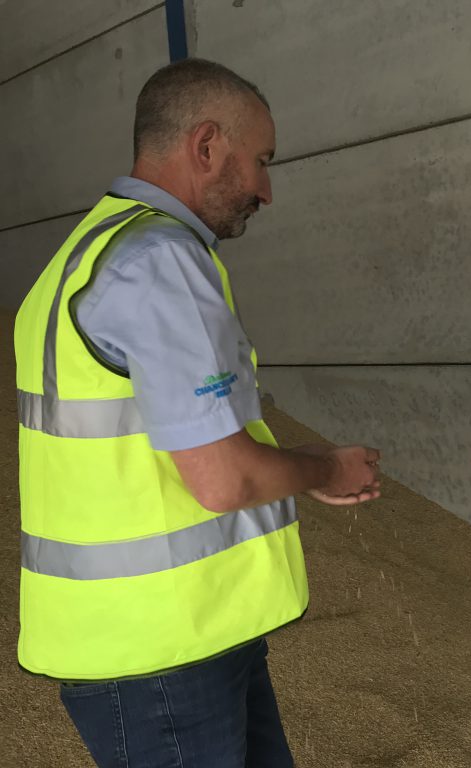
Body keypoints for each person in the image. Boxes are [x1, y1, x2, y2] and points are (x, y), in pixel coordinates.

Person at [14, 58, 380, 767]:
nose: (266, 190)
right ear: (207, 145)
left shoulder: (88, 253)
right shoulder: (159, 261)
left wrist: (298, 464)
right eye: (262, 161)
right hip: (164, 655)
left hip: (162, 639)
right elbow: (221, 478)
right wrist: (327, 469)